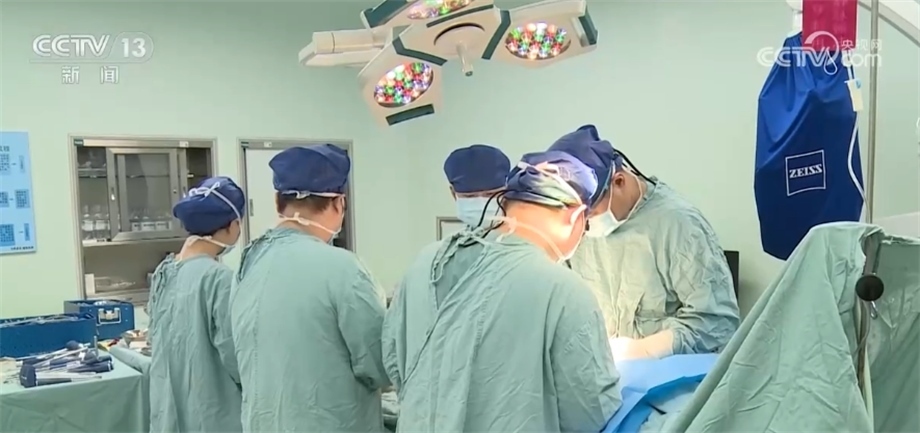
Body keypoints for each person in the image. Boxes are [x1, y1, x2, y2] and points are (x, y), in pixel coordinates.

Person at [383, 150, 622, 432]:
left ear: (505, 201)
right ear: (577, 216)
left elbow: (393, 363)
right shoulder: (565, 291)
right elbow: (591, 414)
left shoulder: (425, 262)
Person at [230, 144, 390, 433]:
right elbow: (379, 364)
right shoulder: (344, 269)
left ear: (277, 201)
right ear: (339, 203)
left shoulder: (248, 263)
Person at [548, 125, 740, 360]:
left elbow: (717, 324)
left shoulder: (678, 225)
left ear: (619, 181)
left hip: (665, 375)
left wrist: (644, 350)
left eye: (589, 214)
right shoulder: (575, 229)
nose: (583, 225)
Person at [147, 176, 245, 433]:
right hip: (212, 416)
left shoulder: (164, 272)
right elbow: (236, 356)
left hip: (167, 413)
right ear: (233, 225)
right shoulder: (219, 279)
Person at [443, 144, 510, 227]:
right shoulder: (461, 236)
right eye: (470, 196)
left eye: (490, 194)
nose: (481, 205)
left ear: (506, 190)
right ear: (453, 193)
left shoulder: (522, 231)